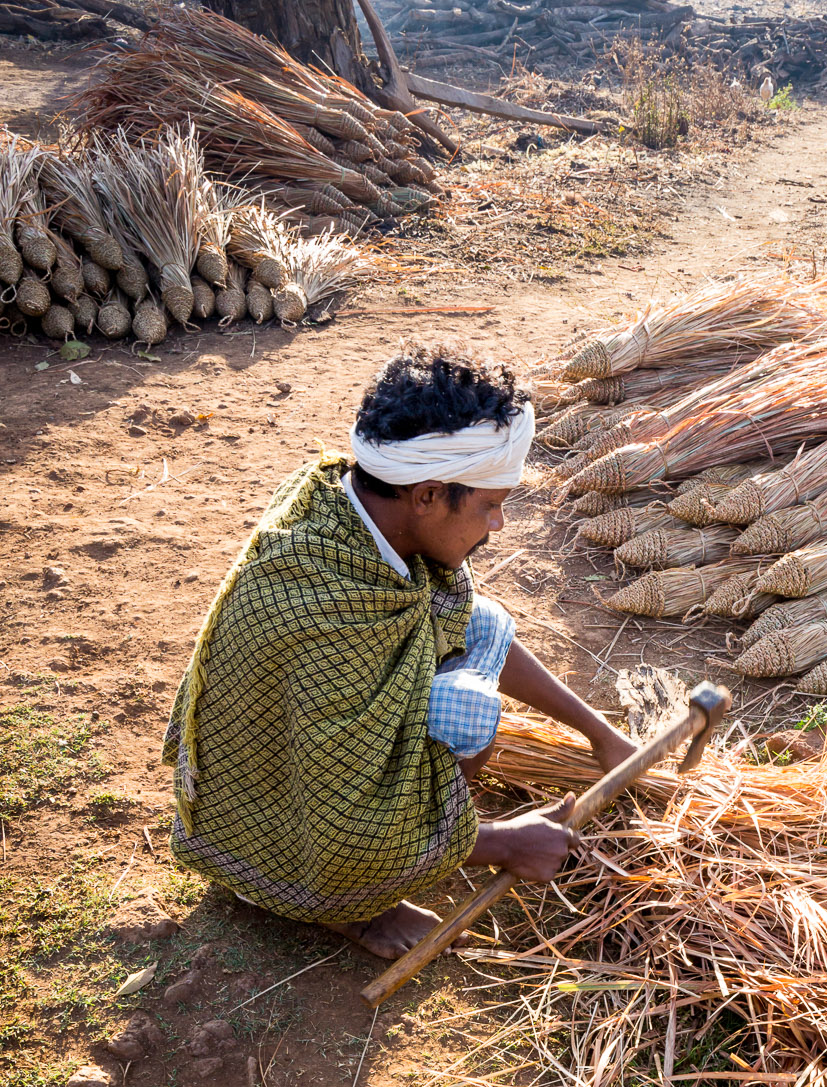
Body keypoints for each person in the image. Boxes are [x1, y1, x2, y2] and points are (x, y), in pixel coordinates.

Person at [163, 346, 633, 959]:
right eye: (490, 504)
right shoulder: (320, 608)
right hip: (278, 832)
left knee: (482, 627)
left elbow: (465, 622)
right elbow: (343, 820)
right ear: (430, 496)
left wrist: (598, 734)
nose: (498, 525)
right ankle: (355, 906)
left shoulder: (358, 507)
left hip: (309, 774)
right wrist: (502, 842)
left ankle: (432, 830)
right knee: (468, 714)